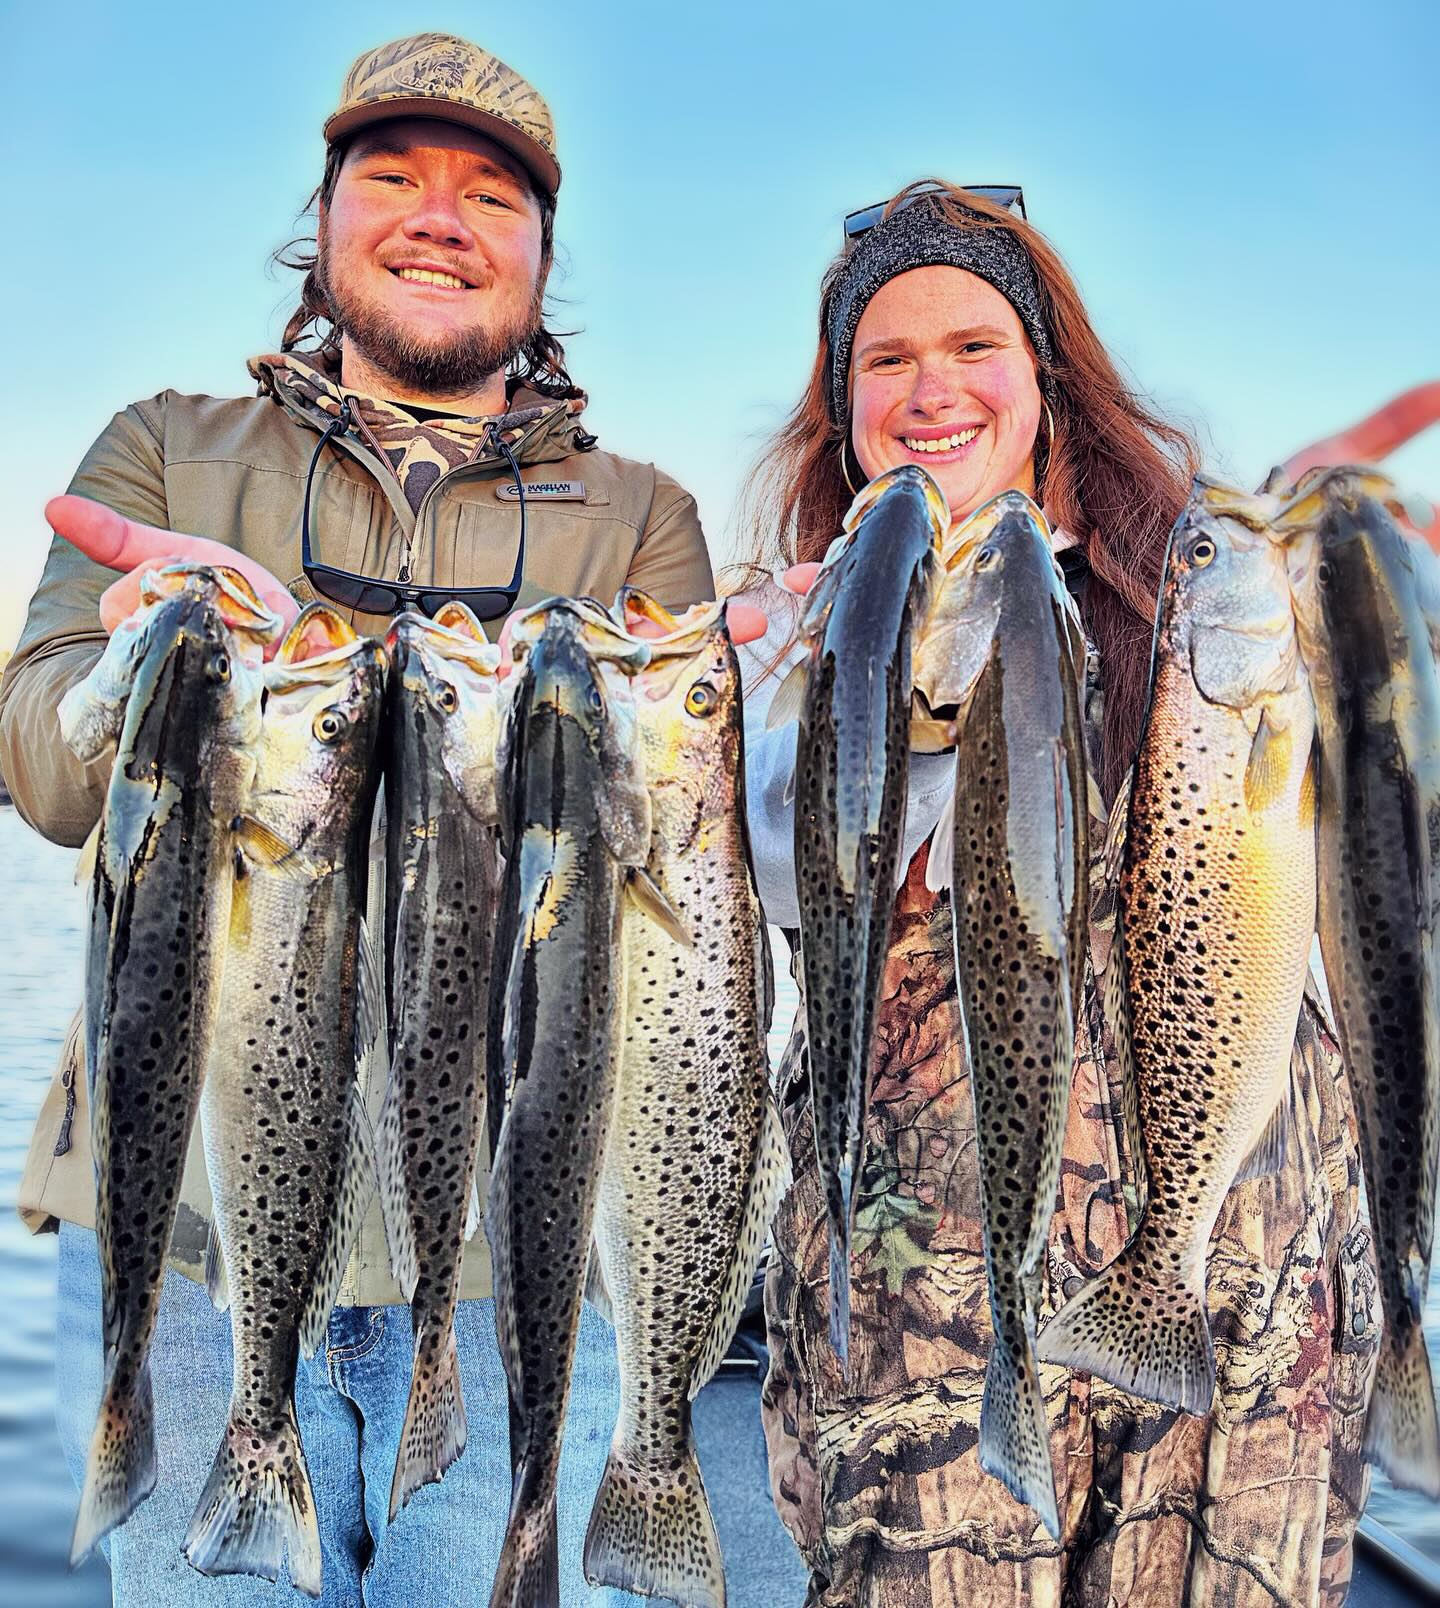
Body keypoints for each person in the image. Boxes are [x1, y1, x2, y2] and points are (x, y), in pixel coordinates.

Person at [0, 32, 736, 1606]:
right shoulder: (162, 449)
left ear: (544, 255)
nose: (440, 218)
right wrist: (148, 670)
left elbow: (670, 864)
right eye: (393, 176)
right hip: (185, 1231)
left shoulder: (643, 520)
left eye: (493, 196)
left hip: (511, 1256)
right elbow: (51, 778)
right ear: (324, 217)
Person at [733, 181, 1380, 1607]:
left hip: (1245, 1285)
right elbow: (770, 871)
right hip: (926, 1310)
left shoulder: (1209, 603)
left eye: (976, 346)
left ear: (1047, 379)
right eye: (886, 360)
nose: (932, 391)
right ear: (842, 406)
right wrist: (848, 673)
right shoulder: (798, 621)